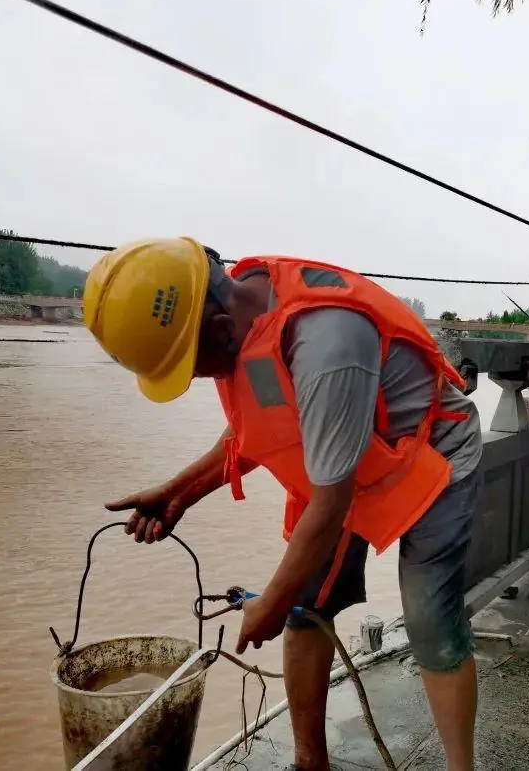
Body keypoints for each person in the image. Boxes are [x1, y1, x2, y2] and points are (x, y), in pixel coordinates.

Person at [82, 238, 483, 771]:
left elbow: (331, 501)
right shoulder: (249, 321)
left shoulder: (326, 343)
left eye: (192, 368)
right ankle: (309, 762)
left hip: (430, 455)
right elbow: (260, 427)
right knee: (305, 607)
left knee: (430, 619)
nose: (201, 379)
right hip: (341, 462)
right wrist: (178, 493)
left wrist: (267, 604)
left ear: (222, 330)